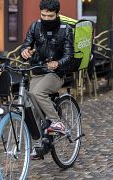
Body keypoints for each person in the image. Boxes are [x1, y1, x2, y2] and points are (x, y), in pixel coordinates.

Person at [20, 0, 73, 156]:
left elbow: (69, 55)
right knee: (31, 104)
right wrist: (25, 52)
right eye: (43, 15)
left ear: (56, 14)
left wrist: (58, 63)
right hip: (38, 70)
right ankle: (40, 145)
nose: (46, 18)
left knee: (37, 93)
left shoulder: (66, 29)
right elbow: (26, 45)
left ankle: (57, 122)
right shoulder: (35, 26)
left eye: (50, 16)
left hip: (56, 73)